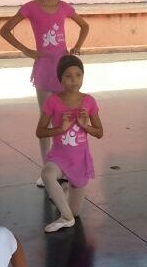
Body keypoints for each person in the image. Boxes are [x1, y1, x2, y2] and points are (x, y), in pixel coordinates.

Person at [0, 0, 90, 186]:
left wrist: (77, 46)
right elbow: (5, 30)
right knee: (46, 119)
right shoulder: (30, 7)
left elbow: (84, 26)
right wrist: (27, 50)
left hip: (63, 68)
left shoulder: (65, 7)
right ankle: (46, 168)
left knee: (66, 118)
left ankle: (65, 165)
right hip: (44, 68)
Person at [35, 55, 103, 233]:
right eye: (68, 76)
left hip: (79, 161)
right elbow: (40, 132)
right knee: (47, 174)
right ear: (60, 79)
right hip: (59, 157)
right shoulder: (53, 101)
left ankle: (65, 198)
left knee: (75, 212)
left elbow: (99, 132)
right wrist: (60, 128)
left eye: (78, 75)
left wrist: (85, 125)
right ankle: (66, 217)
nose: (74, 80)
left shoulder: (89, 101)